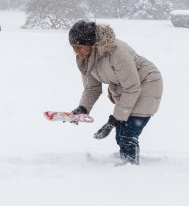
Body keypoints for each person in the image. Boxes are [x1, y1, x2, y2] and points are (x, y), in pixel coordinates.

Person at [67, 19, 163, 164]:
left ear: (91, 43)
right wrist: (83, 108)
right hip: (127, 88)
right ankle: (127, 162)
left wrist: (114, 120)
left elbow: (132, 87)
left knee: (127, 133)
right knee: (121, 134)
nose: (76, 51)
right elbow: (92, 87)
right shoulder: (85, 59)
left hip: (147, 84)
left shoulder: (117, 53)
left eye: (79, 47)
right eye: (73, 47)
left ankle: (130, 169)